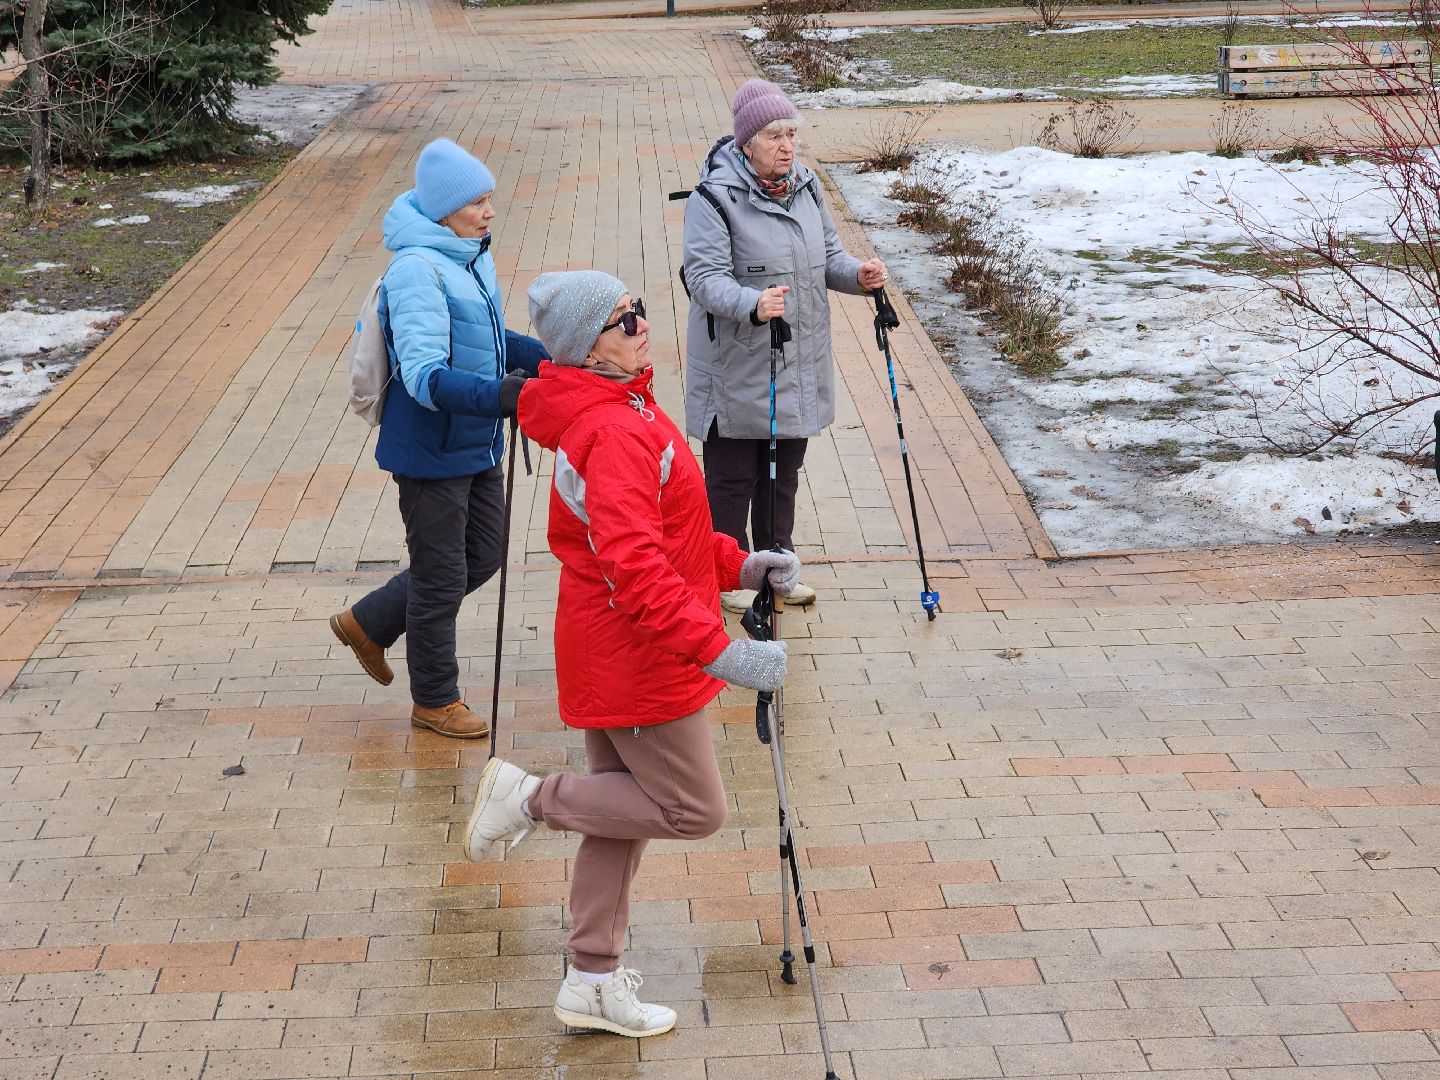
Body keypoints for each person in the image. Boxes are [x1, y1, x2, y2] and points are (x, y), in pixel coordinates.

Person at [463, 270, 800, 1038]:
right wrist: (723, 652)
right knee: (693, 809)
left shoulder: (626, 406)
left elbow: (670, 540)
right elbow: (637, 571)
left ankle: (591, 980)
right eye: (623, 321)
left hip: (617, 648)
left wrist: (738, 565)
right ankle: (529, 798)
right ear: (588, 348)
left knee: (621, 818)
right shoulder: (613, 429)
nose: (642, 325)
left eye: (639, 310)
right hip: (636, 657)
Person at [329, 139, 547, 739]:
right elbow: (425, 377)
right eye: (477, 202)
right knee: (440, 574)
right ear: (445, 208)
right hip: (431, 449)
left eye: (488, 200)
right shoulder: (416, 271)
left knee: (483, 555)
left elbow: (489, 337)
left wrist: (554, 361)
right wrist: (502, 397)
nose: (489, 211)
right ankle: (434, 699)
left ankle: (368, 621)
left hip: (474, 440)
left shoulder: (466, 255)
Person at [681, 78, 889, 613]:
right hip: (735, 368)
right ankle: (725, 572)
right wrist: (751, 303)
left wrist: (858, 276)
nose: (786, 145)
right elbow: (702, 278)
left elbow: (828, 259)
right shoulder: (713, 198)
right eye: (774, 134)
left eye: (792, 133)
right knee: (731, 478)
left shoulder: (806, 188)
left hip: (792, 365)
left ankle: (778, 567)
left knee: (782, 474)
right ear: (747, 142)